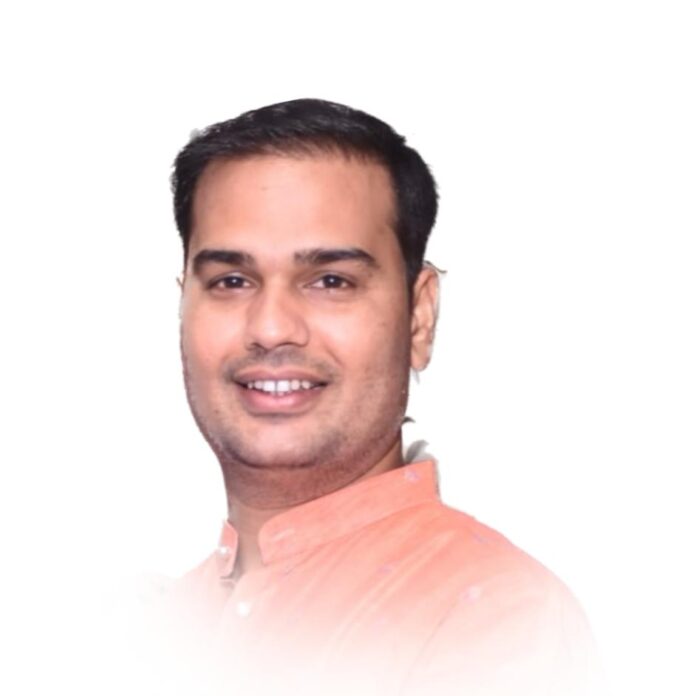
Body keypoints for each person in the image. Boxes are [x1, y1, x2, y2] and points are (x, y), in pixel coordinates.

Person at [142, 98, 598, 696]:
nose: (271, 327)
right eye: (231, 281)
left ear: (419, 317)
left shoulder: (496, 619)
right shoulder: (154, 629)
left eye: (331, 281)